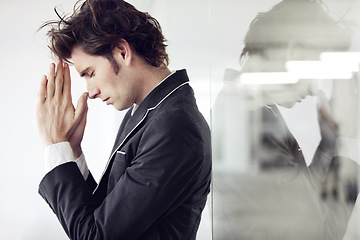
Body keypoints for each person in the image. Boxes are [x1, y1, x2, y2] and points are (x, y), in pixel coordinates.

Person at [36, 0, 212, 239]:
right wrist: (72, 151)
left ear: (122, 51)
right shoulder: (149, 111)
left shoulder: (173, 126)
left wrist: (55, 145)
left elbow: (96, 236)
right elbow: (103, 215)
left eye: (90, 73)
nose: (90, 91)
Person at [212, 0, 359, 239]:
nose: (313, 89)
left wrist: (330, 141)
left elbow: (303, 199)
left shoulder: (255, 109)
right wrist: (348, 140)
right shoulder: (251, 125)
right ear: (294, 52)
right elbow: (320, 233)